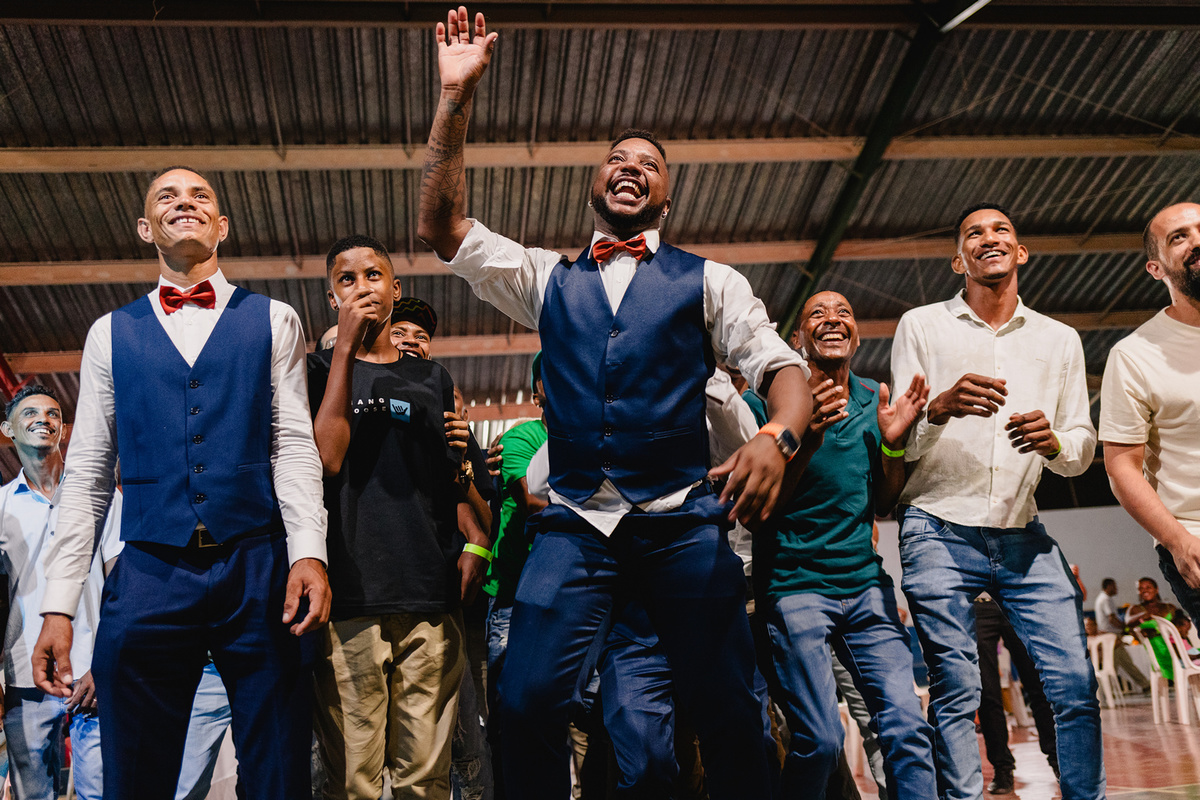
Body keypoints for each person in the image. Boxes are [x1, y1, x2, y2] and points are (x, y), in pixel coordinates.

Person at [417, 9, 811, 798]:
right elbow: (443, 227)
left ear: (666, 200)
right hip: (575, 525)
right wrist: (455, 100)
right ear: (595, 183)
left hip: (679, 520)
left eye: (650, 164)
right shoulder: (544, 278)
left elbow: (782, 366)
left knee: (730, 706)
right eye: (616, 159)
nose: (631, 167)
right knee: (524, 699)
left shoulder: (710, 281)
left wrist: (780, 436)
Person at [31, 166, 331, 800]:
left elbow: (293, 448)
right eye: (167, 196)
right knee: (133, 767)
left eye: (201, 196)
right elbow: (86, 473)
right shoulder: (108, 334)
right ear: (146, 228)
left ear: (222, 225)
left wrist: (308, 552)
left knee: (280, 764)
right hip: (148, 570)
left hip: (257, 564)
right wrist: (57, 605)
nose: (185, 203)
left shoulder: (274, 320)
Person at [890, 203, 1102, 800]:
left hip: (1022, 531)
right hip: (937, 525)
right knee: (957, 690)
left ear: (1021, 251)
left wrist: (1055, 440)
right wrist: (940, 407)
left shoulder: (1060, 340)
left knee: (1073, 685)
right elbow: (899, 439)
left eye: (1001, 229)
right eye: (974, 234)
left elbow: (1083, 447)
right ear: (959, 259)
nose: (989, 238)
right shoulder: (922, 326)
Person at [309, 234, 491, 800]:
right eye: (347, 279)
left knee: (425, 778)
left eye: (373, 275)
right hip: (349, 599)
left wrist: (473, 541)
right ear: (332, 297)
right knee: (353, 780)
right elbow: (327, 458)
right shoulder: (314, 370)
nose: (362, 287)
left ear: (395, 288)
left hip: (430, 596)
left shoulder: (432, 380)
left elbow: (450, 489)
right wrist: (344, 352)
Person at [753, 291, 936, 800]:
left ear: (856, 334)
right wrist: (805, 436)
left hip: (864, 588)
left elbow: (882, 502)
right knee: (820, 740)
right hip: (793, 588)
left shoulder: (871, 399)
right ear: (797, 340)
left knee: (906, 728)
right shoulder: (765, 404)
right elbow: (760, 509)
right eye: (817, 313)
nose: (832, 320)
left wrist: (894, 443)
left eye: (844, 314)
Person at [0, 385, 120, 800]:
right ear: (7, 429)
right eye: (30, 412)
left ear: (64, 430)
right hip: (22, 678)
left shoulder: (102, 496)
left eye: (53, 414)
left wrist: (106, 665)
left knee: (103, 793)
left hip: (94, 676)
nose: (43, 419)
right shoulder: (1, 508)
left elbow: (121, 584)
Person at [1101, 202, 1200, 625]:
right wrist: (1179, 542)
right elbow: (1122, 468)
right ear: (1156, 269)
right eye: (1179, 237)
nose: (1196, 240)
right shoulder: (1135, 355)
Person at [973, 595, 1058, 794]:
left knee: (1038, 686)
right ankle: (1002, 768)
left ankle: (1057, 759)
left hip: (1014, 598)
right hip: (978, 605)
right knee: (988, 694)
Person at [1093, 579, 1150, 691]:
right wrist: (1125, 628)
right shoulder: (1105, 599)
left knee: (1120, 663)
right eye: (1114, 586)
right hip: (1111, 637)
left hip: (1110, 636)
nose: (1116, 589)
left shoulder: (1102, 598)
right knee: (1115, 665)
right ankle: (1144, 685)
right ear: (1108, 586)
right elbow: (1112, 618)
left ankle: (1144, 685)